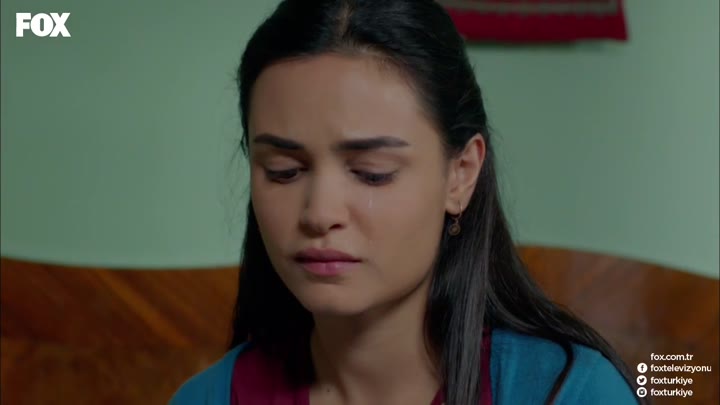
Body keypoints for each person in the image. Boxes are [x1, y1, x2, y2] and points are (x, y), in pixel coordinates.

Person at [170, 0, 642, 403]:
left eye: (371, 173)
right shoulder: (209, 397)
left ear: (461, 174)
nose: (319, 214)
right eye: (284, 171)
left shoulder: (570, 392)